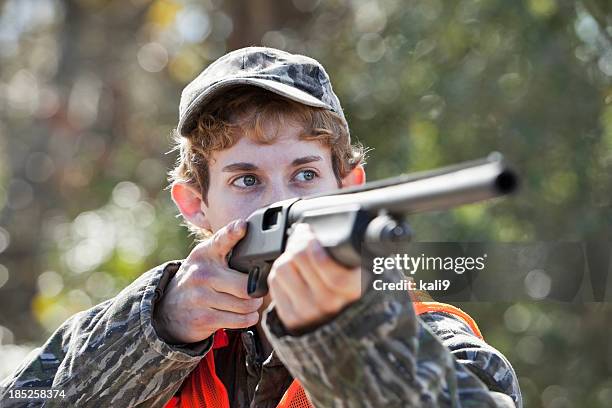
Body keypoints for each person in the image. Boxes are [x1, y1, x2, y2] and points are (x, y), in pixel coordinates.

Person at [0, 47, 522, 407]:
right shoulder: (167, 328)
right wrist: (158, 327)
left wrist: (343, 335)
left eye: (305, 175)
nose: (281, 201)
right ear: (194, 204)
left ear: (350, 189)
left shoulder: (430, 337)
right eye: (247, 179)